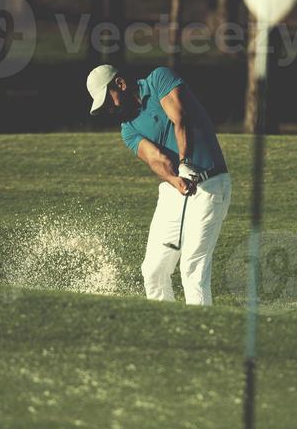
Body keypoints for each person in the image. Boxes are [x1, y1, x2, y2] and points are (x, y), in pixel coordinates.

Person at [87, 64, 231, 306]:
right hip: (174, 192)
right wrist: (175, 179)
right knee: (153, 270)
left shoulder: (158, 80)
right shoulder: (128, 130)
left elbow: (180, 118)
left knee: (192, 268)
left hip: (210, 185)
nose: (109, 110)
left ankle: (201, 335)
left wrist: (185, 162)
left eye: (108, 101)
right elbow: (156, 159)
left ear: (120, 84)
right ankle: (166, 330)